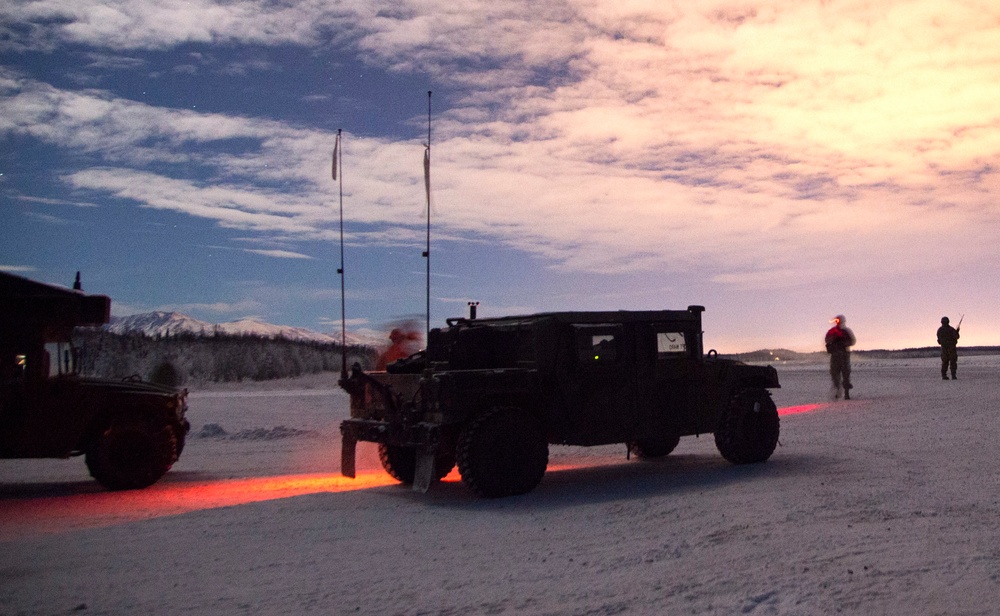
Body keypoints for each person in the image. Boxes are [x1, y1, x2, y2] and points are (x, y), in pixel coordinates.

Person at [825, 314, 856, 400]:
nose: (837, 322)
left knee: (846, 373)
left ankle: (846, 392)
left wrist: (843, 343)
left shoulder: (846, 331)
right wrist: (831, 342)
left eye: (838, 321)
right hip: (835, 355)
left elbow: (852, 341)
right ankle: (837, 390)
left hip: (844, 355)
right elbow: (827, 340)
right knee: (834, 373)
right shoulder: (831, 331)